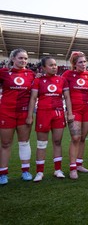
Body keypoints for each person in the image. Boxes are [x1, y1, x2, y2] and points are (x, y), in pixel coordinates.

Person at [26, 57, 74, 181]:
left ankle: (57, 170)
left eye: (55, 65)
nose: (54, 67)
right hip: (43, 114)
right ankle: (39, 172)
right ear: (43, 68)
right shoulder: (38, 80)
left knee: (57, 142)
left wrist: (69, 113)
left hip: (58, 114)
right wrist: (30, 115)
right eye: (51, 65)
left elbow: (67, 98)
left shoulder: (62, 80)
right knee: (41, 144)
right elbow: (33, 98)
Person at [0, 48, 35, 184]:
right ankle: (3, 173)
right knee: (5, 143)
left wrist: (30, 115)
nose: (23, 61)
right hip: (6, 112)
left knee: (24, 142)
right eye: (20, 58)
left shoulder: (31, 74)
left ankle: (25, 171)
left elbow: (33, 96)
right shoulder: (3, 73)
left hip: (24, 113)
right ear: (13, 58)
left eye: (25, 58)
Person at [62, 51, 88, 179]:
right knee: (75, 138)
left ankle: (79, 164)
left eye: (84, 62)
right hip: (74, 110)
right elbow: (60, 89)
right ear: (74, 64)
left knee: (82, 138)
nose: (83, 64)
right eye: (80, 62)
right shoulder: (67, 75)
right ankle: (72, 168)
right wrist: (69, 112)